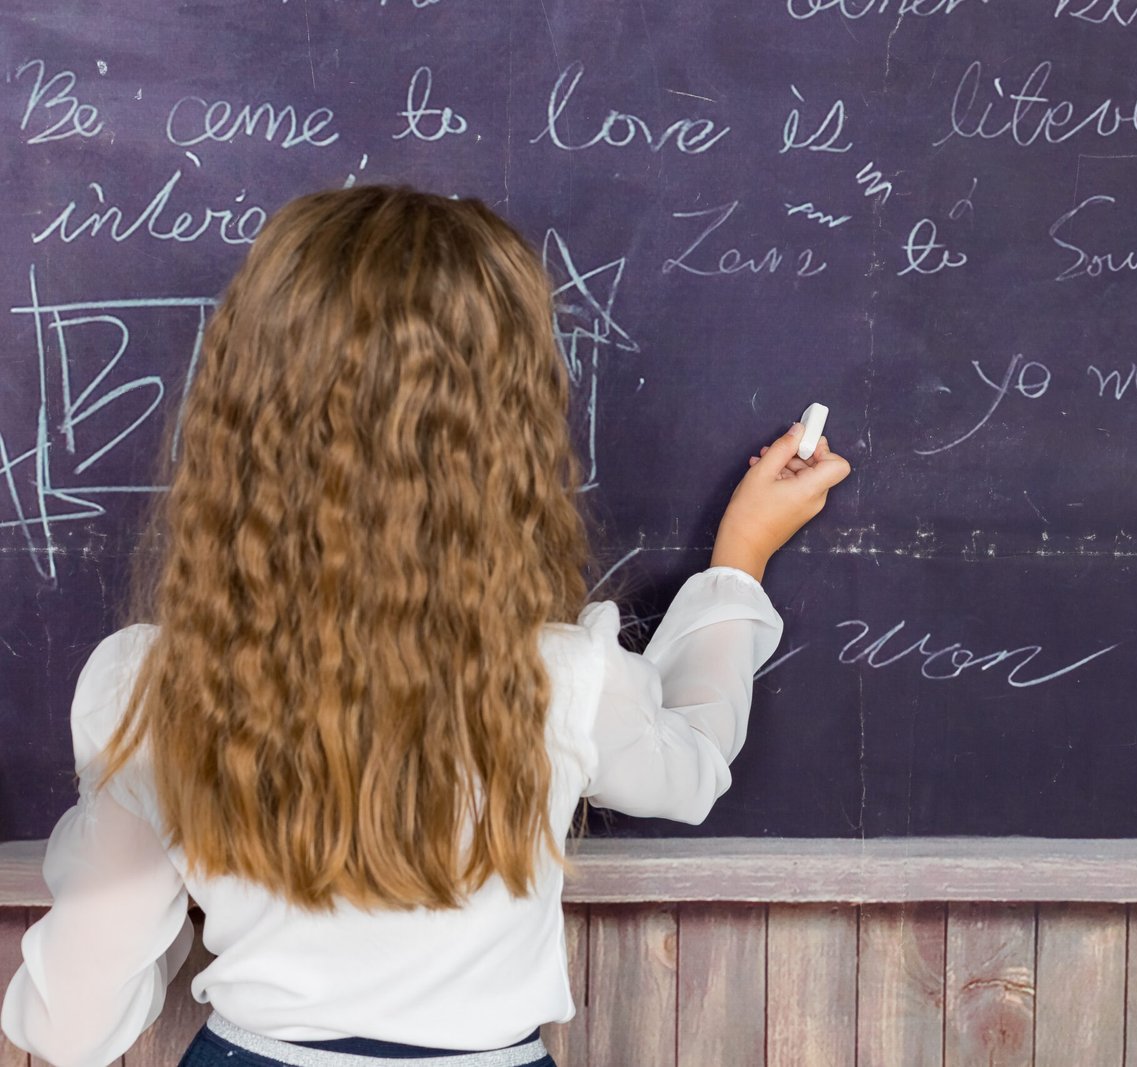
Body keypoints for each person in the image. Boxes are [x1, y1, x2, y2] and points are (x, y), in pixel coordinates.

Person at [0, 185, 851, 1067]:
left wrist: (129, 805)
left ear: (242, 413)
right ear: (504, 433)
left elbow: (72, 1026)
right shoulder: (558, 679)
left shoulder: (153, 685)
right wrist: (739, 558)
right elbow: (694, 764)